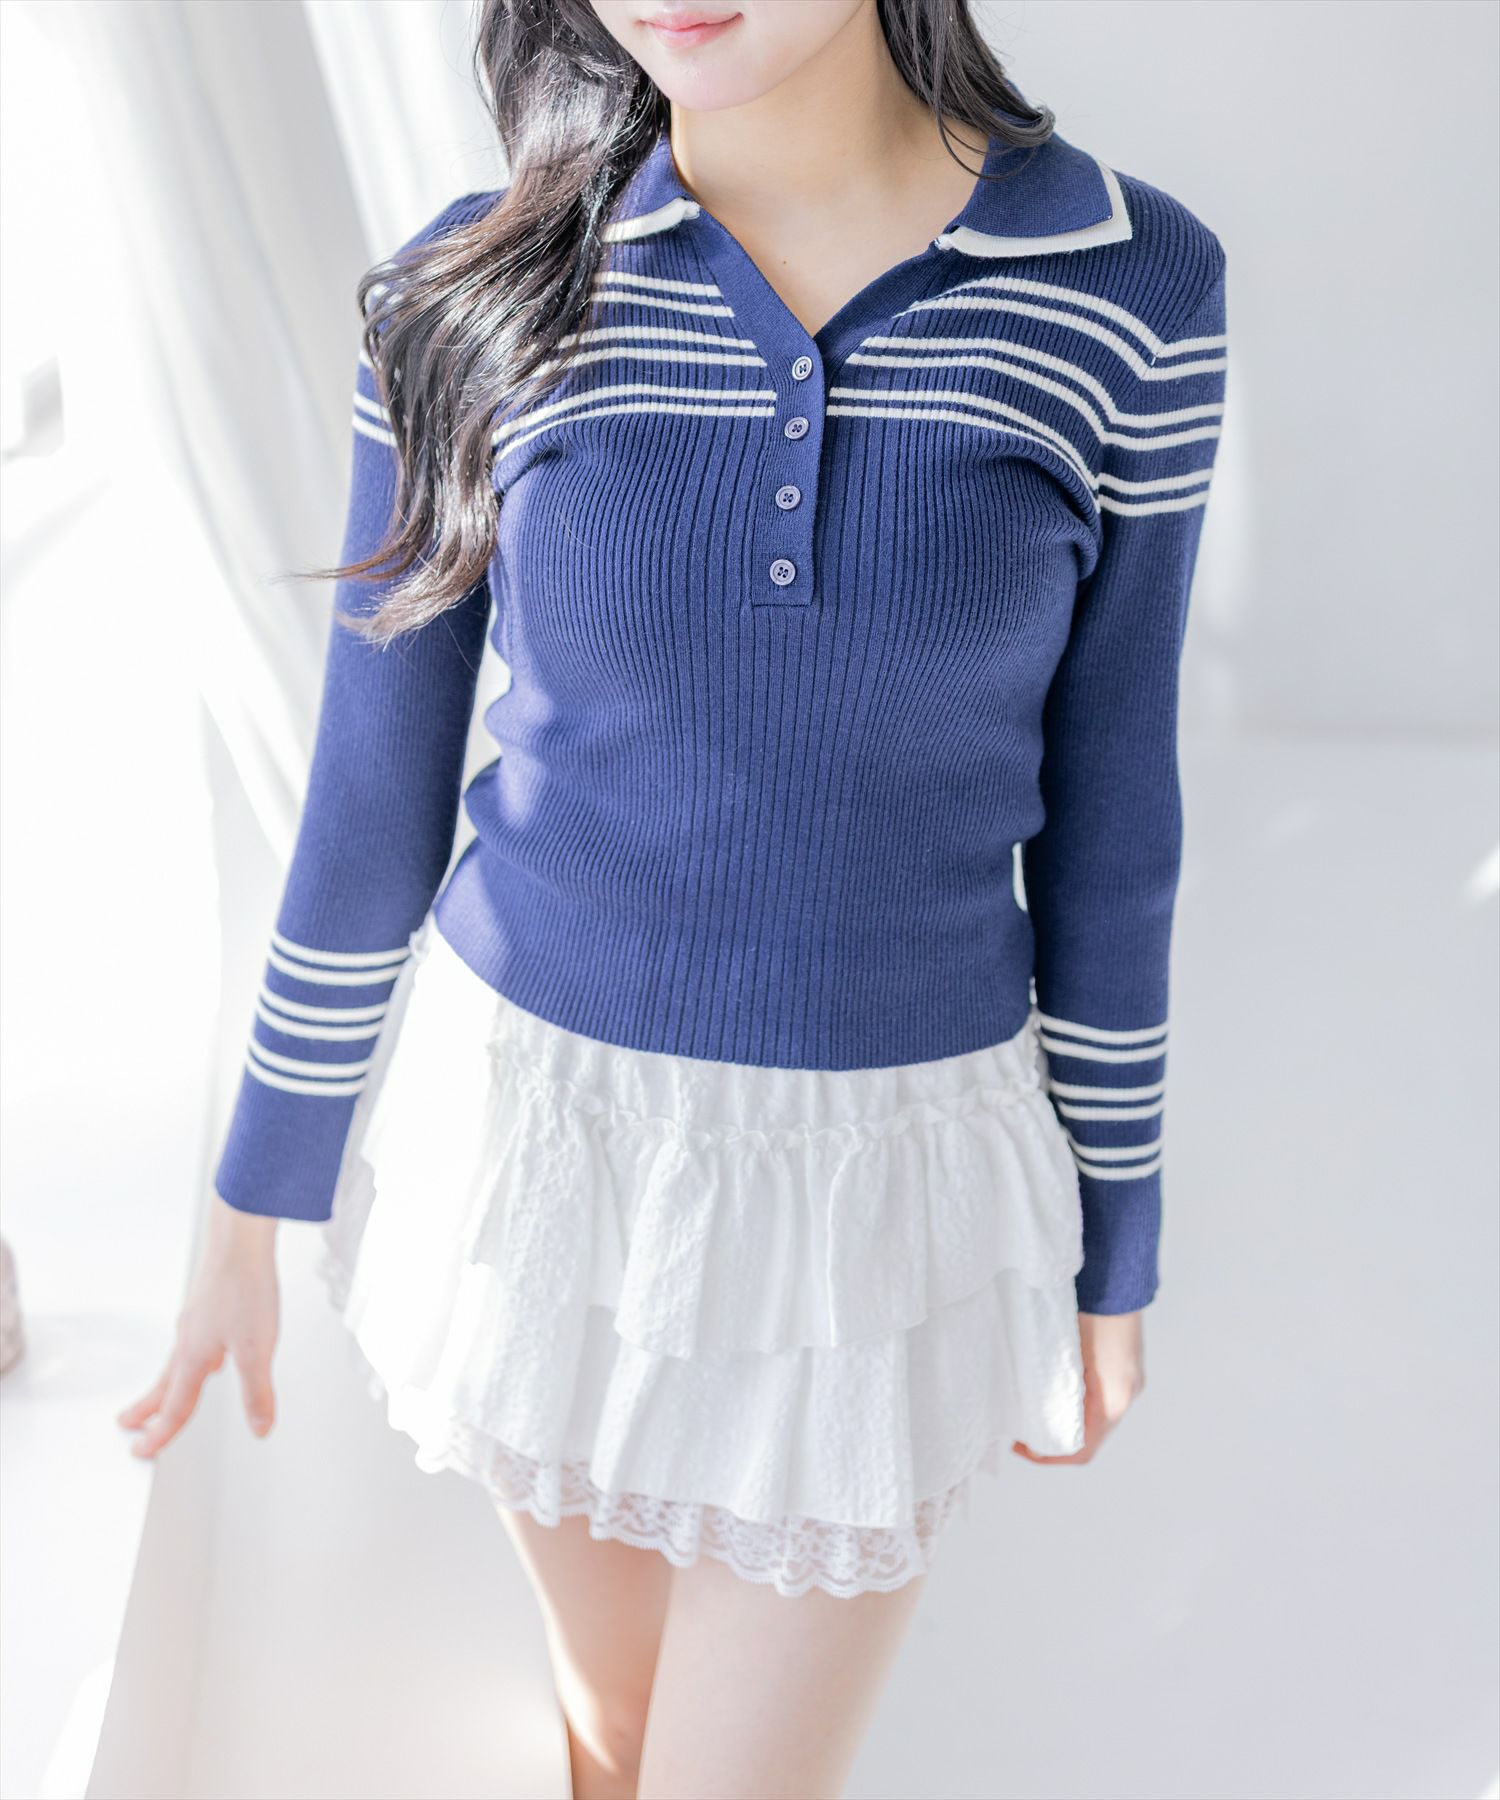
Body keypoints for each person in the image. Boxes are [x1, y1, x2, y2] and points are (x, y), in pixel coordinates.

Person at [117, 2, 1229, 1794]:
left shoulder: (1130, 286)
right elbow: (371, 800)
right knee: (618, 1731)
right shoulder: (470, 292)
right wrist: (250, 1208)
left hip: (882, 1198)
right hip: (538, 1162)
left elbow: (1114, 813)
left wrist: (1121, 1241)